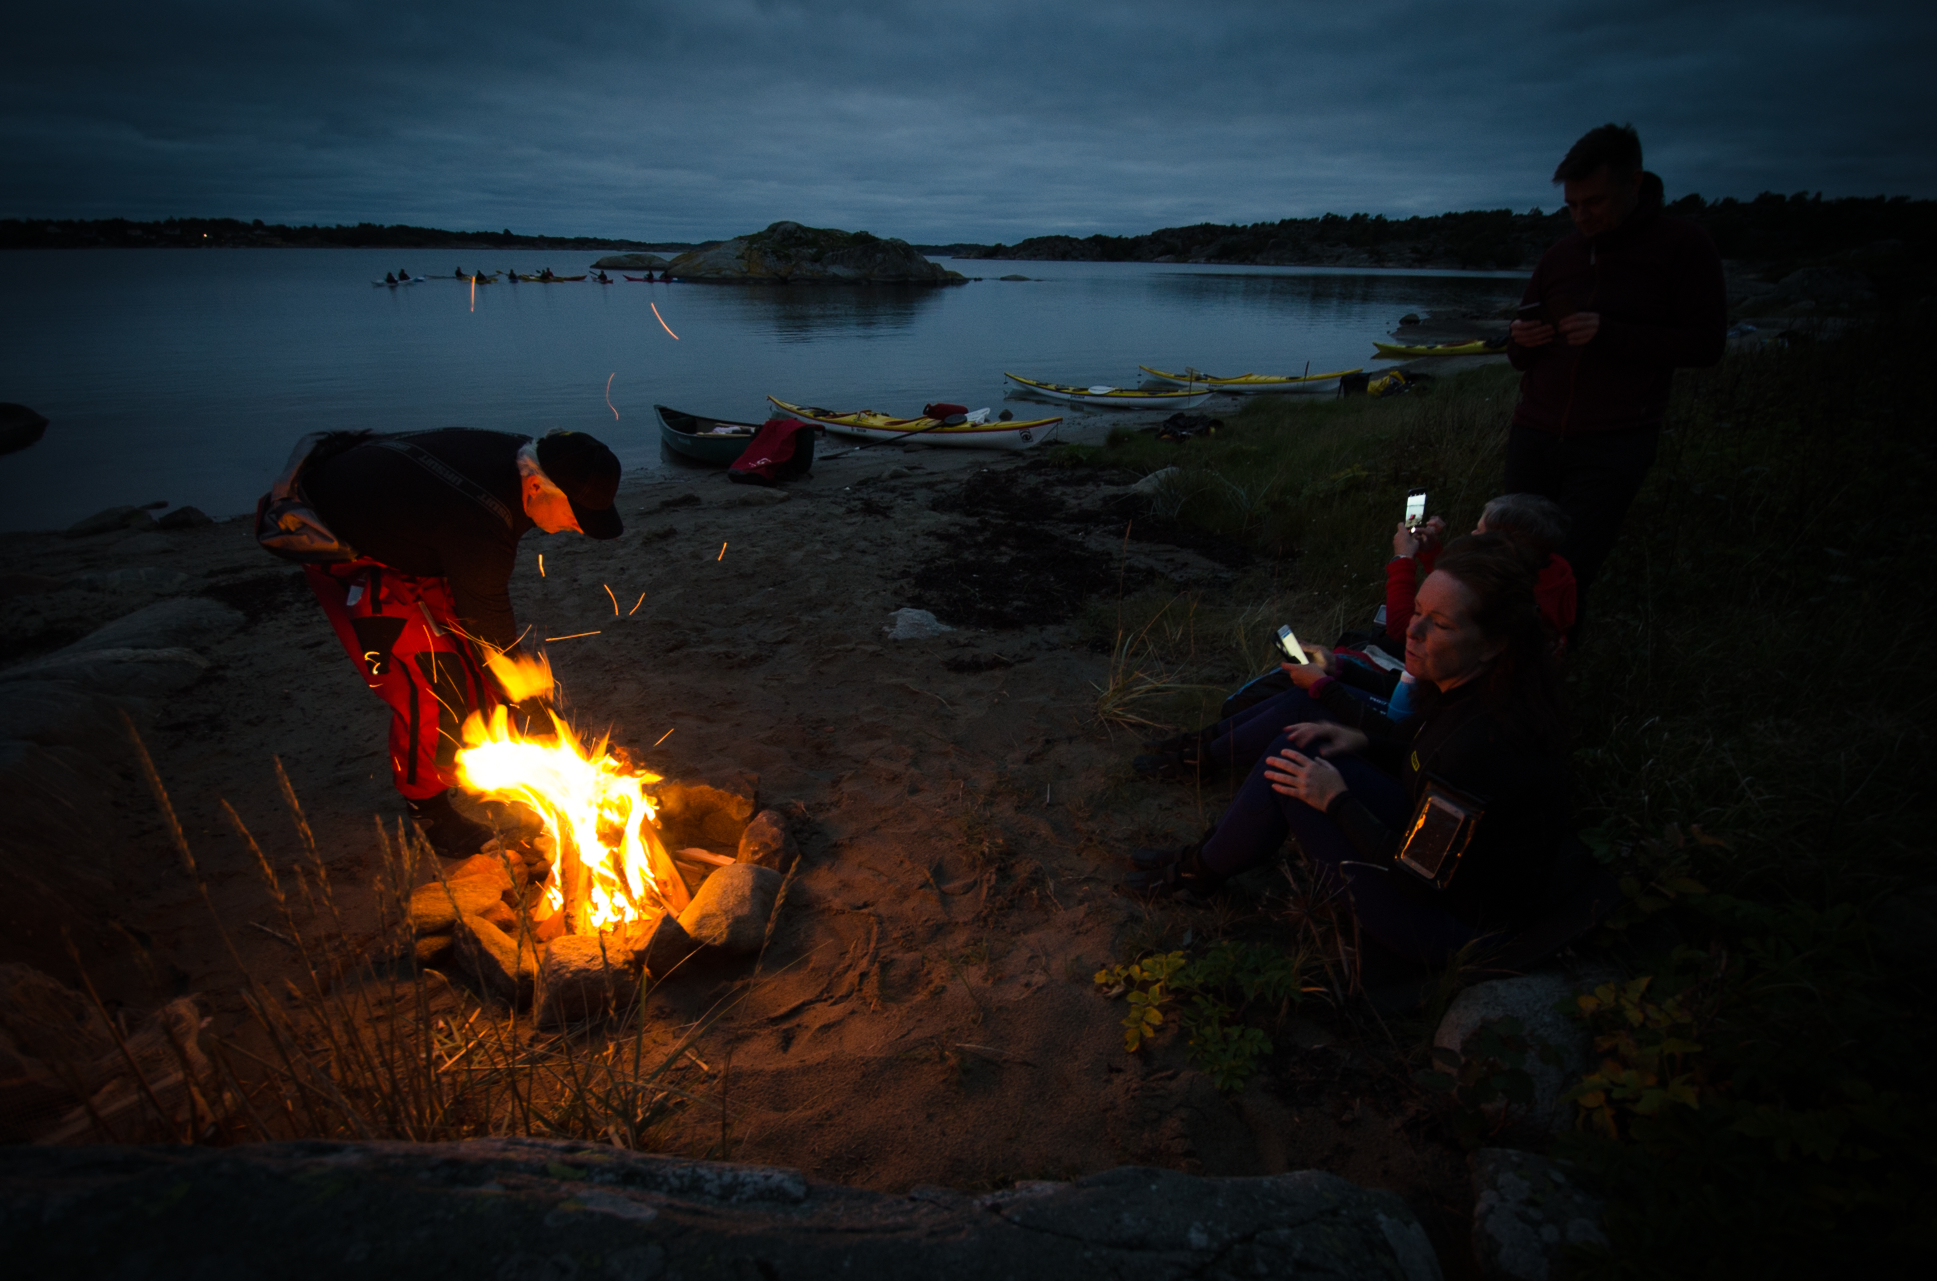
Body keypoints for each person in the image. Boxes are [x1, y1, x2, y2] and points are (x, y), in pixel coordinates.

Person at [1129, 536, 1571, 964]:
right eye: (1417, 610)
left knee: (1298, 773)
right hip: (1433, 856)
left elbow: (1416, 877)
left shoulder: (1485, 744)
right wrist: (1362, 741)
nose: (1411, 632)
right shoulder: (1467, 689)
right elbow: (1423, 761)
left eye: (1440, 624)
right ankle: (1203, 856)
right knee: (1304, 740)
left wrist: (1335, 800)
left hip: (1446, 924)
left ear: (1494, 643)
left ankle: (1198, 873)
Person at [277, 428, 623, 853]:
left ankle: (489, 757)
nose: (576, 528)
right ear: (536, 486)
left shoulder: (526, 457)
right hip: (344, 537)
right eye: (575, 516)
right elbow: (488, 617)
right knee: (434, 685)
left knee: (478, 668)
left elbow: (482, 611)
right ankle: (428, 812)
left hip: (416, 530)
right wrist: (527, 699)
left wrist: (521, 695)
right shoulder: (480, 521)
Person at [1505, 123, 1726, 604]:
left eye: (1595, 202)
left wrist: (1612, 334)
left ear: (1635, 184)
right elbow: (1520, 355)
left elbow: (1707, 345)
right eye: (1572, 205)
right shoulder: (1561, 256)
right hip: (1535, 434)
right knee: (1504, 568)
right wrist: (1523, 339)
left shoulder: (1682, 247)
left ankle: (1548, 670)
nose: (1581, 216)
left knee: (1565, 576)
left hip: (1613, 444)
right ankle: (1492, 675)